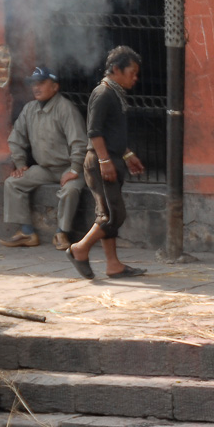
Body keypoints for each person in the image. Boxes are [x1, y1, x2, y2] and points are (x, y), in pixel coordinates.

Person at [66, 45, 147, 280]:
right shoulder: (103, 93)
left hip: (112, 157)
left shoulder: (116, 93)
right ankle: (79, 249)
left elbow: (113, 133)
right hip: (100, 160)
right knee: (113, 215)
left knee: (108, 212)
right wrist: (104, 160)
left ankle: (113, 265)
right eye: (131, 72)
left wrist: (127, 155)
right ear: (115, 69)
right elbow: (94, 132)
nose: (135, 78)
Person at [0, 66, 87, 250]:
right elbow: (16, 138)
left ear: (55, 87)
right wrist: (21, 163)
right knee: (12, 183)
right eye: (33, 84)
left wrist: (74, 170)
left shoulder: (65, 108)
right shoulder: (29, 109)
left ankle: (61, 233)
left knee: (70, 190)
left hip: (69, 168)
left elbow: (79, 142)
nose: (36, 88)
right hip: (45, 169)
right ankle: (27, 232)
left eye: (41, 83)